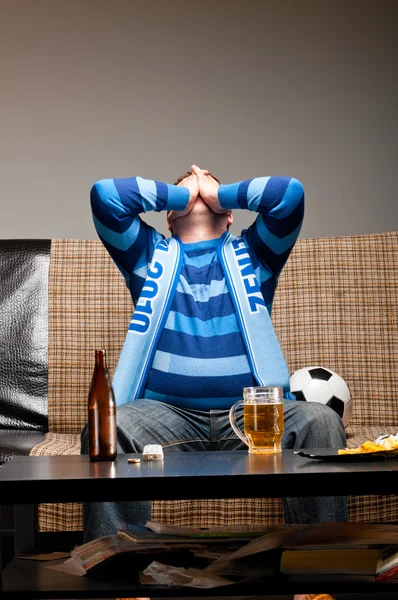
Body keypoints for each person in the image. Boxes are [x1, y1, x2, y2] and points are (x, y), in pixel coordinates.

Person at [81, 164, 348, 543]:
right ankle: (115, 573)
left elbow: (289, 194)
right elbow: (105, 196)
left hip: (251, 417)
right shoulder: (147, 257)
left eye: (209, 187)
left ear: (229, 217)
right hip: (167, 417)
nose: (199, 186)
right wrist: (187, 195)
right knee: (109, 427)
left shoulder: (255, 257)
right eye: (188, 190)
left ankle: (322, 569)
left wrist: (216, 195)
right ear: (169, 219)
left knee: (320, 421)